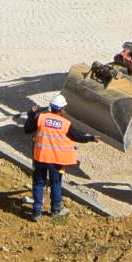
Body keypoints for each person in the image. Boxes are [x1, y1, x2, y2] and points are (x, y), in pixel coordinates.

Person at [25, 92, 81, 221]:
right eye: (64, 108)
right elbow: (77, 136)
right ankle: (55, 211)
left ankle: (36, 212)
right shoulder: (65, 124)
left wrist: (31, 115)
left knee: (39, 183)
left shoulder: (41, 118)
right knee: (56, 184)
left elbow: (27, 129)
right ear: (61, 109)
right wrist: (90, 138)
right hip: (56, 160)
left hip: (40, 158)